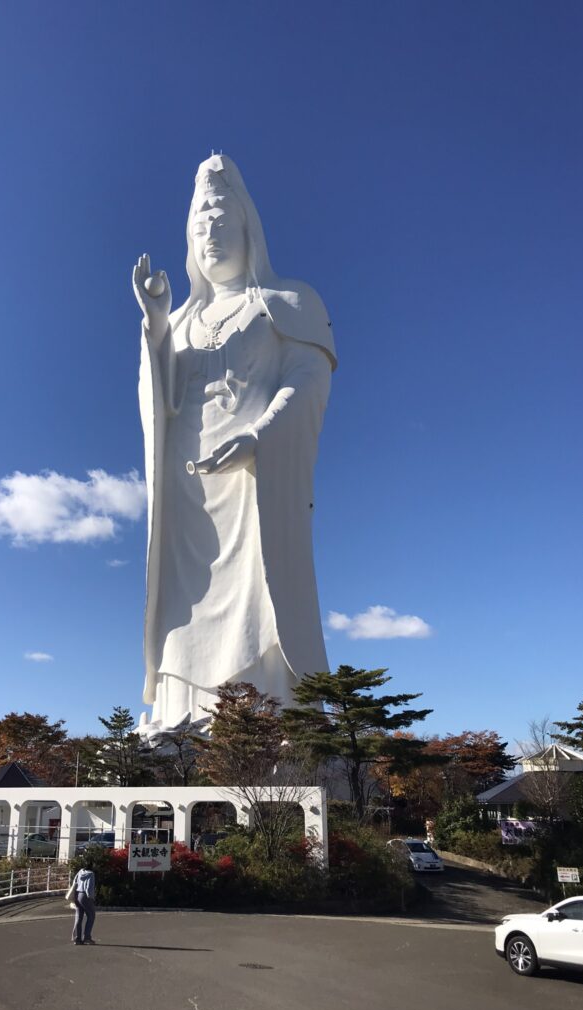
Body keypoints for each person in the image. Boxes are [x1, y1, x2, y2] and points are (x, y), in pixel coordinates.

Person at [134, 154, 336, 734]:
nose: (210, 234)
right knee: (184, 597)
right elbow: (162, 401)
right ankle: (181, 717)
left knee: (260, 582)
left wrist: (260, 435)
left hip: (254, 479)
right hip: (188, 485)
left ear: (249, 228)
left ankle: (266, 717)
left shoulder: (288, 300)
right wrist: (156, 324)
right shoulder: (181, 320)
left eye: (221, 220)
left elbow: (309, 378)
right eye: (200, 225)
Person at [65, 866, 96, 945]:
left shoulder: (80, 871)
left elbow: (74, 882)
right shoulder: (91, 874)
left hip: (77, 894)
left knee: (79, 917)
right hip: (85, 895)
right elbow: (89, 888)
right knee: (91, 915)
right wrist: (91, 898)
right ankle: (87, 938)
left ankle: (77, 938)